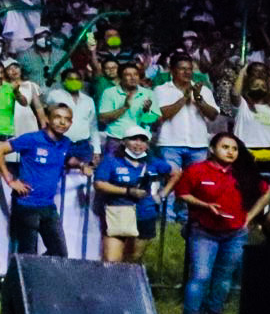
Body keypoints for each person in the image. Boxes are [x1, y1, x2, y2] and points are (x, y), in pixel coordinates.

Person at [176, 133, 270, 314]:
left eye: (234, 149)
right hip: (203, 231)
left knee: (224, 276)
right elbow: (182, 193)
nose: (230, 152)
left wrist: (249, 217)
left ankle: (214, 312)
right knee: (201, 275)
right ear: (212, 149)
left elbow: (266, 192)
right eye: (225, 147)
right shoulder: (197, 170)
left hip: (235, 233)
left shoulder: (243, 172)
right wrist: (205, 205)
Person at [0, 102, 92, 258]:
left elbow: (66, 158)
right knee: (28, 254)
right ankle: (23, 273)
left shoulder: (65, 143)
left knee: (59, 253)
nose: (62, 122)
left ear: (71, 123)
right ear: (48, 119)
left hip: (48, 205)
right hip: (26, 204)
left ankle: (37, 270)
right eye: (57, 117)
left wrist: (81, 165)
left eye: (67, 119)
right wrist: (10, 180)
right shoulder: (32, 139)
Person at [91, 126, 179, 264]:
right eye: (134, 139)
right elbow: (99, 184)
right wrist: (127, 191)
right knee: (112, 260)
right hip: (118, 213)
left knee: (133, 258)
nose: (138, 143)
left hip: (145, 214)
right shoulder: (111, 160)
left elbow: (176, 173)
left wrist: (162, 195)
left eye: (143, 140)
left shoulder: (152, 161)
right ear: (124, 141)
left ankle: (126, 279)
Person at [152, 55, 221, 221]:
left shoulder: (203, 90)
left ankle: (188, 218)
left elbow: (213, 115)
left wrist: (198, 98)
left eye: (189, 69)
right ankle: (167, 218)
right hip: (170, 142)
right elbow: (161, 115)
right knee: (170, 180)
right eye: (182, 69)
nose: (187, 72)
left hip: (198, 144)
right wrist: (184, 98)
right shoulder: (161, 90)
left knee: (194, 183)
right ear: (172, 70)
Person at [232, 64, 270, 168]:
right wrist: (242, 73)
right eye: (256, 85)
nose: (259, 88)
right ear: (249, 87)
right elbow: (235, 94)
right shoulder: (243, 106)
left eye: (263, 86)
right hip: (246, 156)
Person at [97, 63, 158, 151]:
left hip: (140, 141)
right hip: (116, 139)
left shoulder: (148, 93)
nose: (133, 78)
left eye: (135, 74)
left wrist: (146, 111)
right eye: (128, 75)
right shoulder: (109, 92)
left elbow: (153, 121)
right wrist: (124, 107)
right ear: (120, 77)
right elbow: (102, 118)